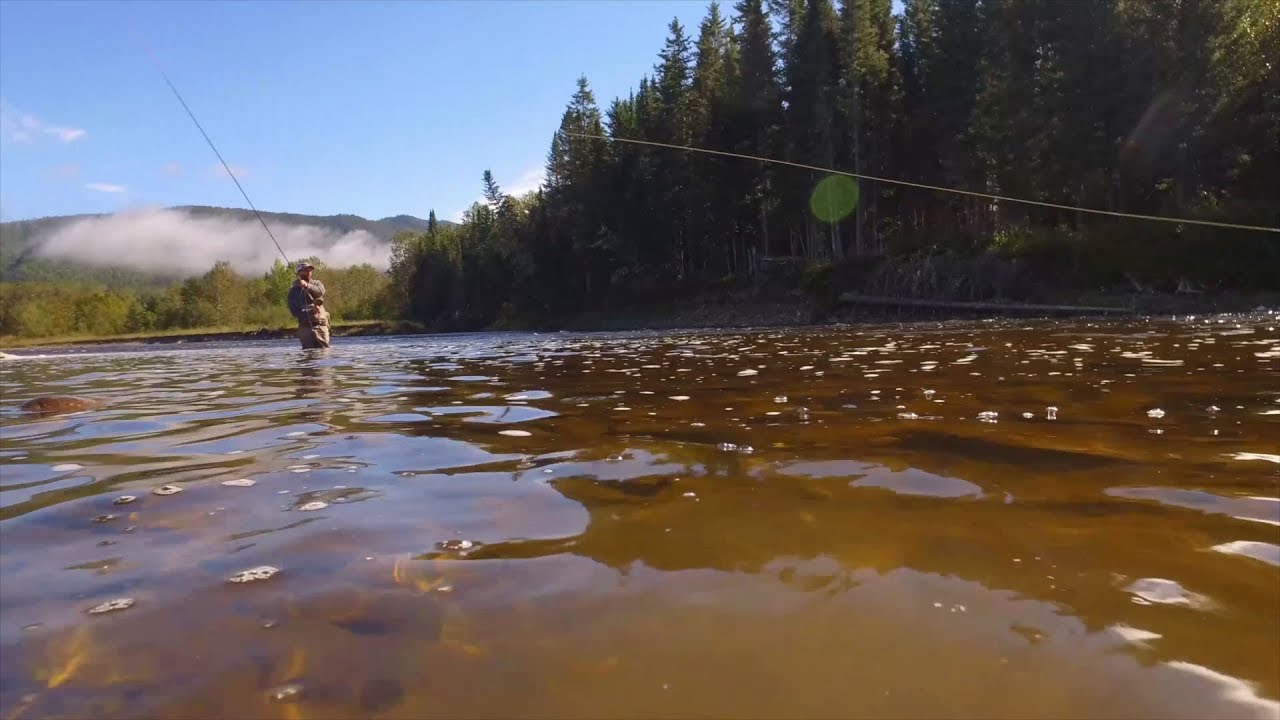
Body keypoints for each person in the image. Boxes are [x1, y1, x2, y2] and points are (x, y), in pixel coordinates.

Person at [287, 261, 331, 349]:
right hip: (305, 328)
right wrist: (310, 311)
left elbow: (320, 292)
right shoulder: (293, 291)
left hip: (320, 325)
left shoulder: (317, 283)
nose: (309, 272)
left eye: (310, 270)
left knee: (324, 352)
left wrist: (307, 286)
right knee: (307, 353)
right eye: (306, 270)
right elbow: (294, 311)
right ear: (299, 273)